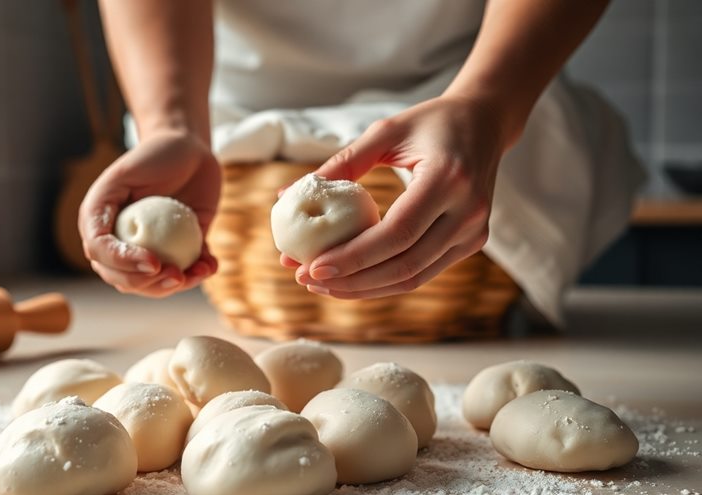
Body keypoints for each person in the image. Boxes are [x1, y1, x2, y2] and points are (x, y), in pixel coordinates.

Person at [78, 0, 642, 326]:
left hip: (470, 74)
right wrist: (173, 125)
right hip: (228, 93)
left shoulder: (482, 96)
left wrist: (487, 108)